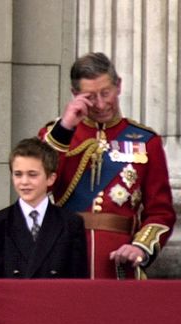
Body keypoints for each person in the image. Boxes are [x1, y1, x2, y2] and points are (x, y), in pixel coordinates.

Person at [39, 52, 176, 279]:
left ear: (118, 86)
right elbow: (39, 187)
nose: (101, 104)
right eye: (91, 97)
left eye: (106, 93)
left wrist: (140, 247)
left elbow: (160, 211)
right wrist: (65, 127)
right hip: (65, 257)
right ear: (75, 95)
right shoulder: (57, 134)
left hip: (117, 262)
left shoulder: (146, 141)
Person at [0, 137, 88, 278]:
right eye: (18, 174)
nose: (24, 182)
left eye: (32, 175)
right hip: (13, 299)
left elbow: (77, 284)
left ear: (51, 178)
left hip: (53, 299)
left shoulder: (71, 223)